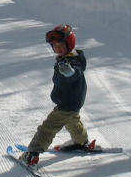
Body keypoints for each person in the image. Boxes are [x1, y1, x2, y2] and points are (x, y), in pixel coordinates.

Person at [21, 24, 93, 166]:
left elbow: (76, 72)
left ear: (69, 44)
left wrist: (70, 72)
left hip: (67, 102)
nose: (58, 48)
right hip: (74, 101)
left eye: (61, 45)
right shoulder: (67, 58)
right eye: (55, 46)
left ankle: (32, 154)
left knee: (48, 127)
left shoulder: (71, 61)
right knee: (73, 121)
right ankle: (81, 142)